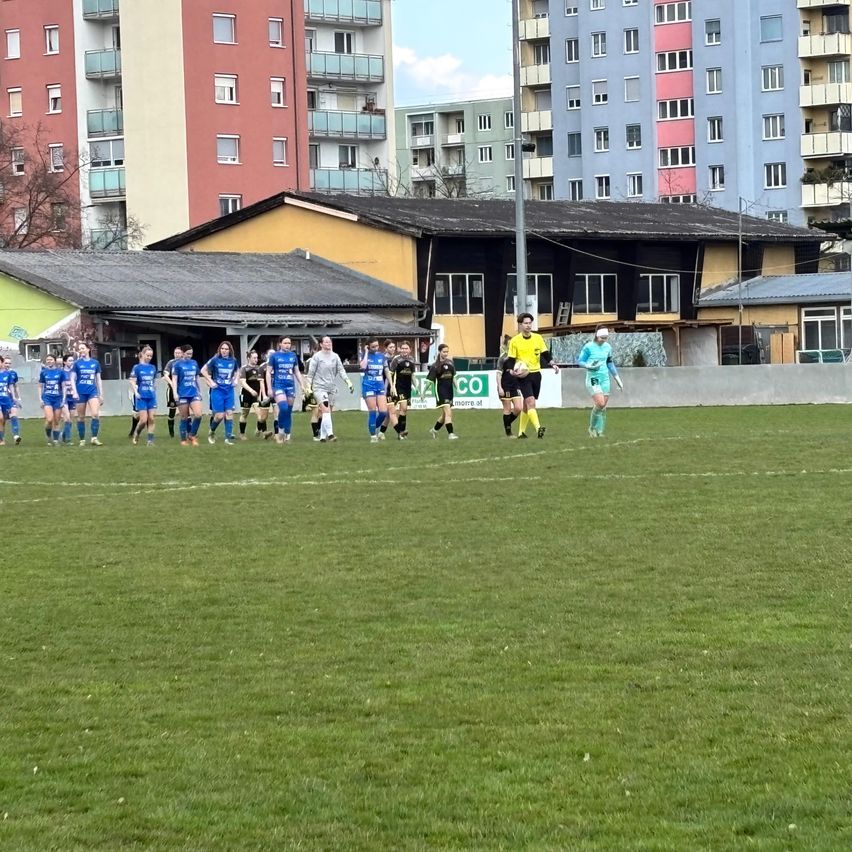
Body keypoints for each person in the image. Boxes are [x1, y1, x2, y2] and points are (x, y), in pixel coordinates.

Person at [505, 312, 560, 439]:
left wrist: (553, 364)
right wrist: (511, 370)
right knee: (531, 401)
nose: (528, 325)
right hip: (523, 376)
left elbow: (545, 353)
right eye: (526, 323)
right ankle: (538, 429)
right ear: (520, 325)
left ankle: (521, 432)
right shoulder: (515, 341)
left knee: (526, 404)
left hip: (536, 374)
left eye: (530, 323)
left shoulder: (538, 338)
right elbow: (511, 359)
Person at [305, 336, 353, 442]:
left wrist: (348, 382)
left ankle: (322, 437)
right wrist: (308, 386)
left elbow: (341, 370)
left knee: (327, 413)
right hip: (319, 387)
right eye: (326, 342)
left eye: (329, 341)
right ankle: (330, 434)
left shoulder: (335, 356)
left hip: (331, 387)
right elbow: (310, 373)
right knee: (325, 409)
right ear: (321, 344)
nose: (328, 343)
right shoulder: (316, 357)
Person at [577, 327, 623, 438]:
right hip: (593, 378)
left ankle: (599, 431)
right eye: (602, 338)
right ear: (597, 336)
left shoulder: (608, 347)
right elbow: (580, 361)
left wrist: (617, 378)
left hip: (604, 378)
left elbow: (609, 363)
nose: (604, 340)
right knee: (600, 403)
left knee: (603, 406)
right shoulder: (588, 347)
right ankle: (592, 428)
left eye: (606, 338)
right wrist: (588, 366)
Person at [266, 337, 304, 444]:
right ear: (280, 344)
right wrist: (269, 388)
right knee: (283, 407)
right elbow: (268, 372)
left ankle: (287, 434)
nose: (287, 345)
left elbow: (296, 371)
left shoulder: (293, 356)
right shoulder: (274, 356)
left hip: (290, 386)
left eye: (289, 343)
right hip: (278, 385)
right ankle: (280, 431)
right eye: (285, 343)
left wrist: (302, 385)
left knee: (288, 411)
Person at [201, 340, 239, 445]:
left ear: (230, 350)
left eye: (226, 349)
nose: (224, 351)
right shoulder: (215, 359)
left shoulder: (233, 360)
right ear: (219, 349)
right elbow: (203, 370)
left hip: (229, 390)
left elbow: (237, 370)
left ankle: (227, 438)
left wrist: (236, 380)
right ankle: (212, 431)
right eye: (222, 348)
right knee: (219, 416)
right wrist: (211, 381)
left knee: (229, 413)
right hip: (217, 390)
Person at [71, 342, 104, 445]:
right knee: (81, 417)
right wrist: (74, 392)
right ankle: (82, 440)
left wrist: (101, 394)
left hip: (92, 391)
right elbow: (72, 379)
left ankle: (94, 438)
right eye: (79, 349)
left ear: (88, 349)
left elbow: (98, 379)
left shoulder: (95, 363)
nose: (81, 350)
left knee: (95, 414)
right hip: (80, 392)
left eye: (83, 348)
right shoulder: (77, 363)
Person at [170, 344, 203, 445]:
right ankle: (183, 440)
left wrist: (199, 391)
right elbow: (174, 379)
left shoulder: (194, 363)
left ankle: (192, 435)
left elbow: (197, 378)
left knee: (198, 415)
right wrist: (175, 393)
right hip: (182, 394)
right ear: (183, 353)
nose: (189, 356)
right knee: (184, 417)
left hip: (193, 393)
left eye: (191, 354)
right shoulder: (177, 364)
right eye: (188, 354)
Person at [360, 338, 390, 442]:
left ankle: (372, 426)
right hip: (368, 385)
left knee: (383, 412)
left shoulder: (381, 356)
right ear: (368, 346)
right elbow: (363, 366)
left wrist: (391, 384)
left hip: (380, 386)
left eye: (377, 346)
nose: (376, 348)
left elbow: (386, 371)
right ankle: (373, 436)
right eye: (373, 347)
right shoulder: (364, 355)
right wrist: (366, 352)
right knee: (372, 411)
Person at [427, 343, 459, 440]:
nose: (446, 353)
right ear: (439, 352)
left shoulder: (450, 363)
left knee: (445, 415)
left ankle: (434, 430)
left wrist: (457, 387)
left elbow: (454, 377)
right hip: (441, 391)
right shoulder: (435, 365)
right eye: (444, 352)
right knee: (448, 413)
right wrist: (423, 392)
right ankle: (451, 434)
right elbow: (430, 381)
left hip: (449, 391)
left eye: (447, 352)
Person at [129, 345, 158, 446]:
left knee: (152, 418)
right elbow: (132, 381)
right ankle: (137, 433)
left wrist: (154, 388)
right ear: (142, 354)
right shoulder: (137, 367)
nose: (149, 358)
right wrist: (136, 392)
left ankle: (150, 440)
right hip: (141, 397)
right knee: (143, 420)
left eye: (151, 356)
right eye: (147, 355)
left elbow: (153, 381)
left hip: (151, 396)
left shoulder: (153, 367)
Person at [238, 350, 269, 440]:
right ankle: (242, 433)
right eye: (254, 358)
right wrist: (251, 390)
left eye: (257, 358)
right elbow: (243, 382)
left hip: (256, 395)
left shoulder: (259, 368)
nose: (256, 359)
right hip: (246, 394)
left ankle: (264, 432)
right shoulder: (244, 368)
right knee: (245, 413)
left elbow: (261, 382)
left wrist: (260, 394)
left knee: (260, 414)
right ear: (248, 358)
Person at [389, 339, 416, 439]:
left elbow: (412, 375)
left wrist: (416, 387)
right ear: (400, 349)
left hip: (408, 388)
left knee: (404, 411)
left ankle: (401, 433)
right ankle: (401, 432)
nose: (404, 350)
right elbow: (391, 373)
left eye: (406, 348)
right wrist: (392, 386)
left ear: (410, 350)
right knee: (403, 407)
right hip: (399, 387)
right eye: (402, 348)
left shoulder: (412, 360)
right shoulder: (396, 360)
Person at [496, 336, 523, 437]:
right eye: (510, 343)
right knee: (507, 409)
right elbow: (498, 373)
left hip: (515, 385)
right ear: (506, 345)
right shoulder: (503, 358)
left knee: (518, 408)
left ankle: (507, 423)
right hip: (505, 385)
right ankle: (509, 433)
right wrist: (500, 387)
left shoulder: (518, 356)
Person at [38, 354, 65, 445]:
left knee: (56, 420)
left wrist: (64, 399)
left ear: (55, 361)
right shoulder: (43, 372)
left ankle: (56, 440)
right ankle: (49, 436)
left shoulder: (60, 372)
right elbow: (40, 386)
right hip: (47, 398)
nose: (49, 361)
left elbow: (63, 386)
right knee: (49, 419)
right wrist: (40, 399)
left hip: (58, 398)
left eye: (51, 359)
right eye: (48, 360)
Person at [161, 346, 183, 439]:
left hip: (183, 390)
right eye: (176, 353)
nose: (177, 354)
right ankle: (171, 433)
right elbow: (165, 374)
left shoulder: (185, 363)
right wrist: (172, 384)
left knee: (185, 411)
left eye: (179, 353)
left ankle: (187, 431)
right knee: (172, 411)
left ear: (182, 354)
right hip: (172, 390)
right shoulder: (171, 363)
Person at [379, 340, 398, 437]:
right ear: (385, 348)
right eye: (390, 347)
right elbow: (385, 375)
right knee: (392, 411)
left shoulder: (396, 359)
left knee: (388, 415)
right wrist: (386, 389)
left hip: (394, 388)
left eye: (394, 347)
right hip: (386, 388)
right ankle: (400, 432)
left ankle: (381, 433)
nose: (393, 349)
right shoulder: (383, 359)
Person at [0, 357, 17, 446]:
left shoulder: (8, 374)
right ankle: (1, 440)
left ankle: (14, 436)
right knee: (0, 418)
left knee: (5, 419)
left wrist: (14, 397)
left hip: (6, 399)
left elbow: (11, 386)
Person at [61, 354, 78, 444]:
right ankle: (68, 439)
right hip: (64, 397)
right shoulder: (61, 372)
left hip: (72, 397)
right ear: (64, 362)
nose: (72, 362)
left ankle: (64, 434)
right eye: (70, 360)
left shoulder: (75, 372)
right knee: (67, 418)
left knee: (70, 419)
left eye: (72, 360)